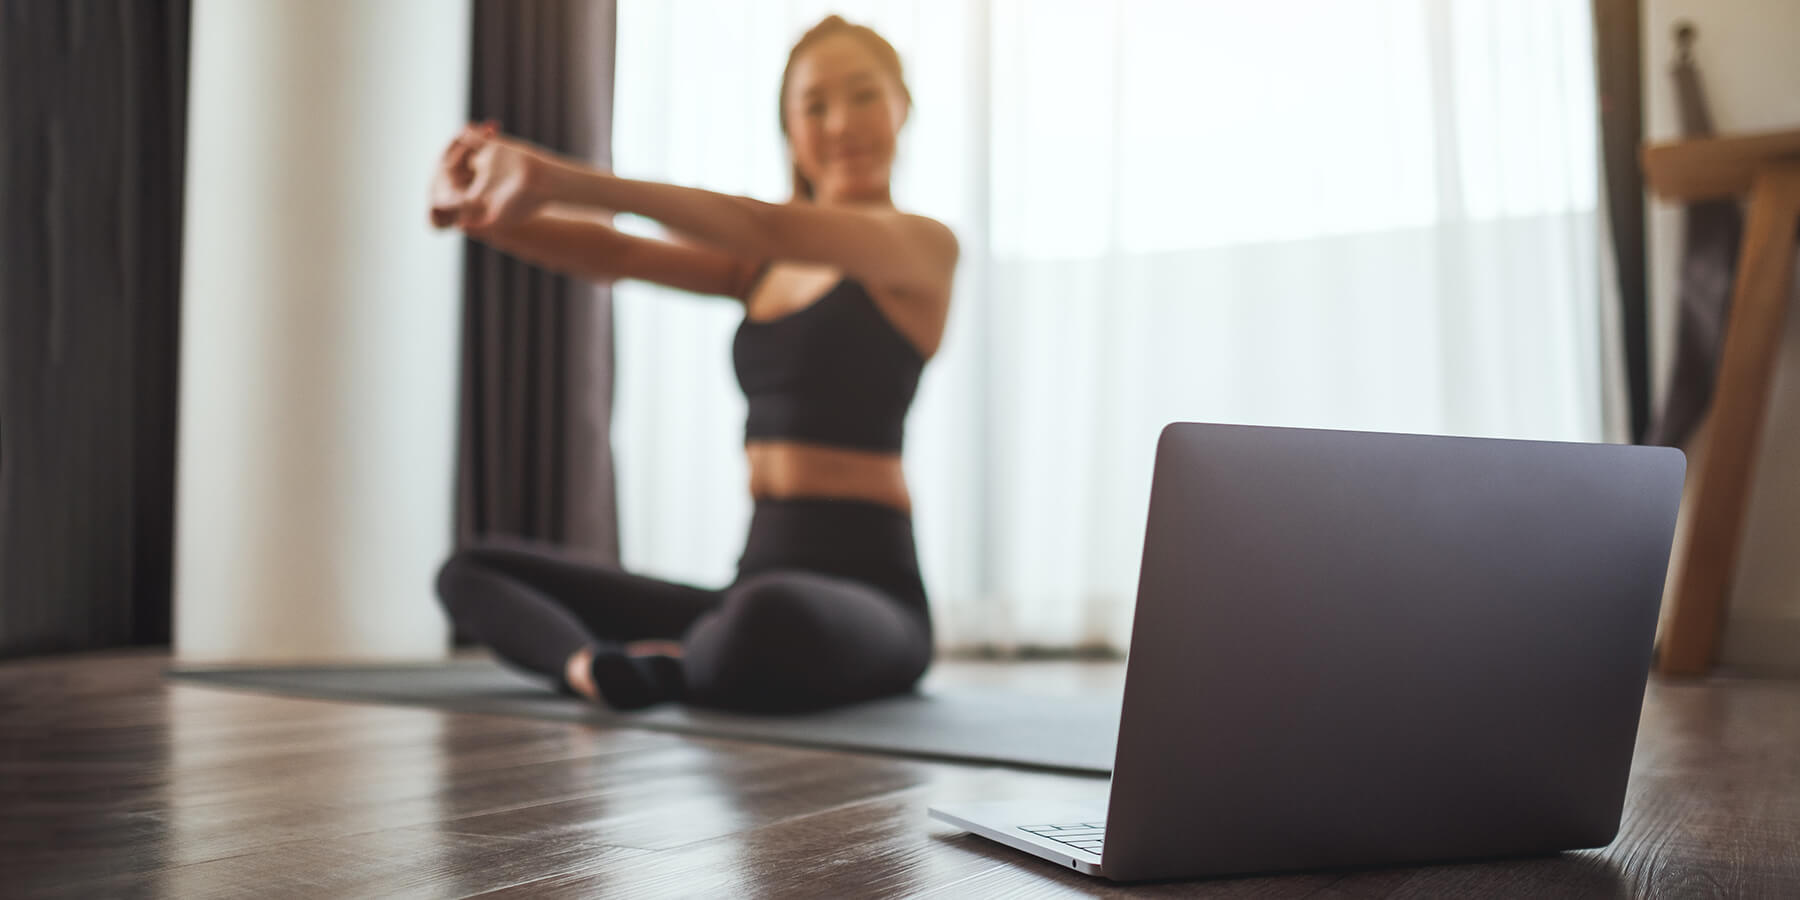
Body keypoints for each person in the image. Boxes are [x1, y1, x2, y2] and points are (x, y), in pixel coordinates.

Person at [430, 16, 957, 713]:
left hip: (871, 594)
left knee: (763, 622)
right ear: (790, 131)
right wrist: (480, 213)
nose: (841, 123)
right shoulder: (763, 266)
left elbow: (764, 222)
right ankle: (593, 666)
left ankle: (687, 660)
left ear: (902, 105)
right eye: (815, 106)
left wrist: (554, 178)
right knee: (472, 570)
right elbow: (617, 254)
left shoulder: (921, 247)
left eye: (864, 95)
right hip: (756, 578)